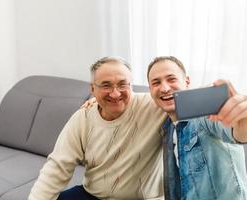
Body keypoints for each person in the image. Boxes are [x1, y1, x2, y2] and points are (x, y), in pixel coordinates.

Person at [28, 56, 167, 200]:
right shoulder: (83, 117)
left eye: (122, 84)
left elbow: (182, 97)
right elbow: (57, 166)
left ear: (131, 85)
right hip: (92, 195)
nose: (115, 93)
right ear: (93, 89)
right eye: (106, 85)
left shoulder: (155, 106)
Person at [147, 56, 247, 200]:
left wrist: (245, 120)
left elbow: (242, 135)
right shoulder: (167, 128)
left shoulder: (206, 113)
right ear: (150, 90)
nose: (165, 88)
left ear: (187, 82)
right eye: (156, 83)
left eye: (171, 79)